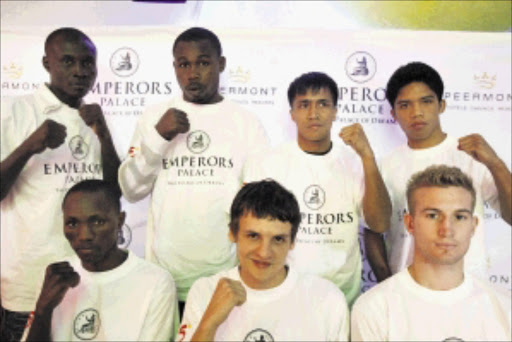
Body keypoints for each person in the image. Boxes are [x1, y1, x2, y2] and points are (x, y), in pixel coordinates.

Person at [118, 27, 268, 311]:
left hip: (225, 276)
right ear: (175, 67)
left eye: (203, 62)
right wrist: (158, 136)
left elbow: (257, 205)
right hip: (165, 278)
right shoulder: (154, 117)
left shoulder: (245, 122)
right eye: (184, 64)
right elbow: (130, 189)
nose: (193, 73)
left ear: (220, 64)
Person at [0, 27, 120, 341]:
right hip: (29, 284)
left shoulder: (93, 119)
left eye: (87, 63)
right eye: (67, 61)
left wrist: (104, 134)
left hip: (87, 279)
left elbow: (114, 195)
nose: (80, 71)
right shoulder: (14, 110)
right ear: (46, 63)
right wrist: (30, 146)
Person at [243, 72, 391, 306]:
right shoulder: (267, 163)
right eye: (304, 105)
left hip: (343, 297)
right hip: (282, 295)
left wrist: (368, 157)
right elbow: (248, 233)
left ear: (335, 111)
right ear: (292, 114)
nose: (313, 114)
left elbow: (380, 223)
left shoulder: (356, 161)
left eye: (323, 104)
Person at [364, 61, 512, 281]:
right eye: (405, 105)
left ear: (441, 105)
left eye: (426, 101)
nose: (417, 112)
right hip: (407, 290)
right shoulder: (385, 166)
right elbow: (372, 231)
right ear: (393, 114)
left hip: (469, 288)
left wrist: (496, 164)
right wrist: (388, 283)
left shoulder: (472, 155)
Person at [351, 165, 511, 341]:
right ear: (410, 223)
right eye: (433, 215)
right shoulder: (375, 309)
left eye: (459, 217)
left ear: (473, 226)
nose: (446, 229)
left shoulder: (504, 306)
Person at [178, 180, 349, 341]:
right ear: (232, 233)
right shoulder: (204, 292)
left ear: (293, 241)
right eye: (253, 236)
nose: (264, 252)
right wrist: (210, 323)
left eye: (278, 239)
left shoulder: (327, 299)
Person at [21, 180, 177, 341]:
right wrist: (42, 311)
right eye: (72, 223)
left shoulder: (155, 282)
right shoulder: (54, 277)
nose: (84, 236)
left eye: (97, 222)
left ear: (120, 220)